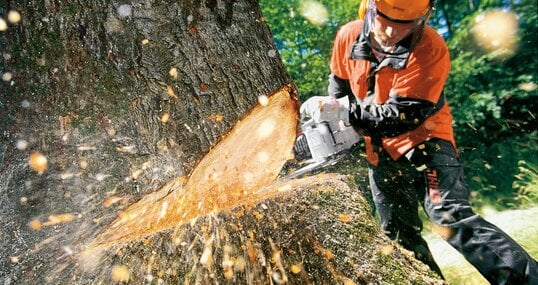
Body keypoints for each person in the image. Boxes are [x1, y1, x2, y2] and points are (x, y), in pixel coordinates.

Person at [327, 0, 538, 284]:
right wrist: (331, 117)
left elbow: (402, 115)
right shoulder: (348, 36)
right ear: (370, 8)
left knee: (450, 218)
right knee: (399, 237)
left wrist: (347, 112)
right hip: (378, 151)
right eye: (385, 20)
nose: (390, 31)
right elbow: (338, 90)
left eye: (403, 25)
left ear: (422, 19)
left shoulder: (430, 47)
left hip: (427, 143)